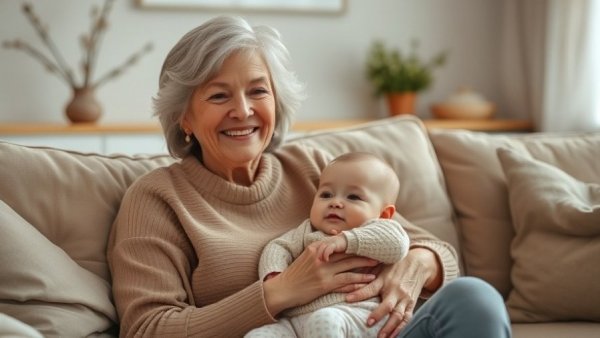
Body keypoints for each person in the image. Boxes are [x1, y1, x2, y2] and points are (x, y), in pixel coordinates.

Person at [107, 15, 511, 338]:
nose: (244, 111)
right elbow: (147, 329)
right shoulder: (158, 198)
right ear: (184, 118)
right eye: (219, 95)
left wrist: (418, 265)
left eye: (258, 91)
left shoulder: (314, 167)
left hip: (366, 329)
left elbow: (425, 244)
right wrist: (280, 291)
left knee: (474, 297)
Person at [246, 152, 411, 337]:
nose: (336, 202)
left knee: (324, 321)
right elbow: (277, 247)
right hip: (295, 321)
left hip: (356, 313)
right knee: (258, 335)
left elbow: (398, 244)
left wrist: (347, 240)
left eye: (353, 197)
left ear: (384, 214)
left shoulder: (376, 228)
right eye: (326, 194)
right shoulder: (306, 230)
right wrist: (275, 275)